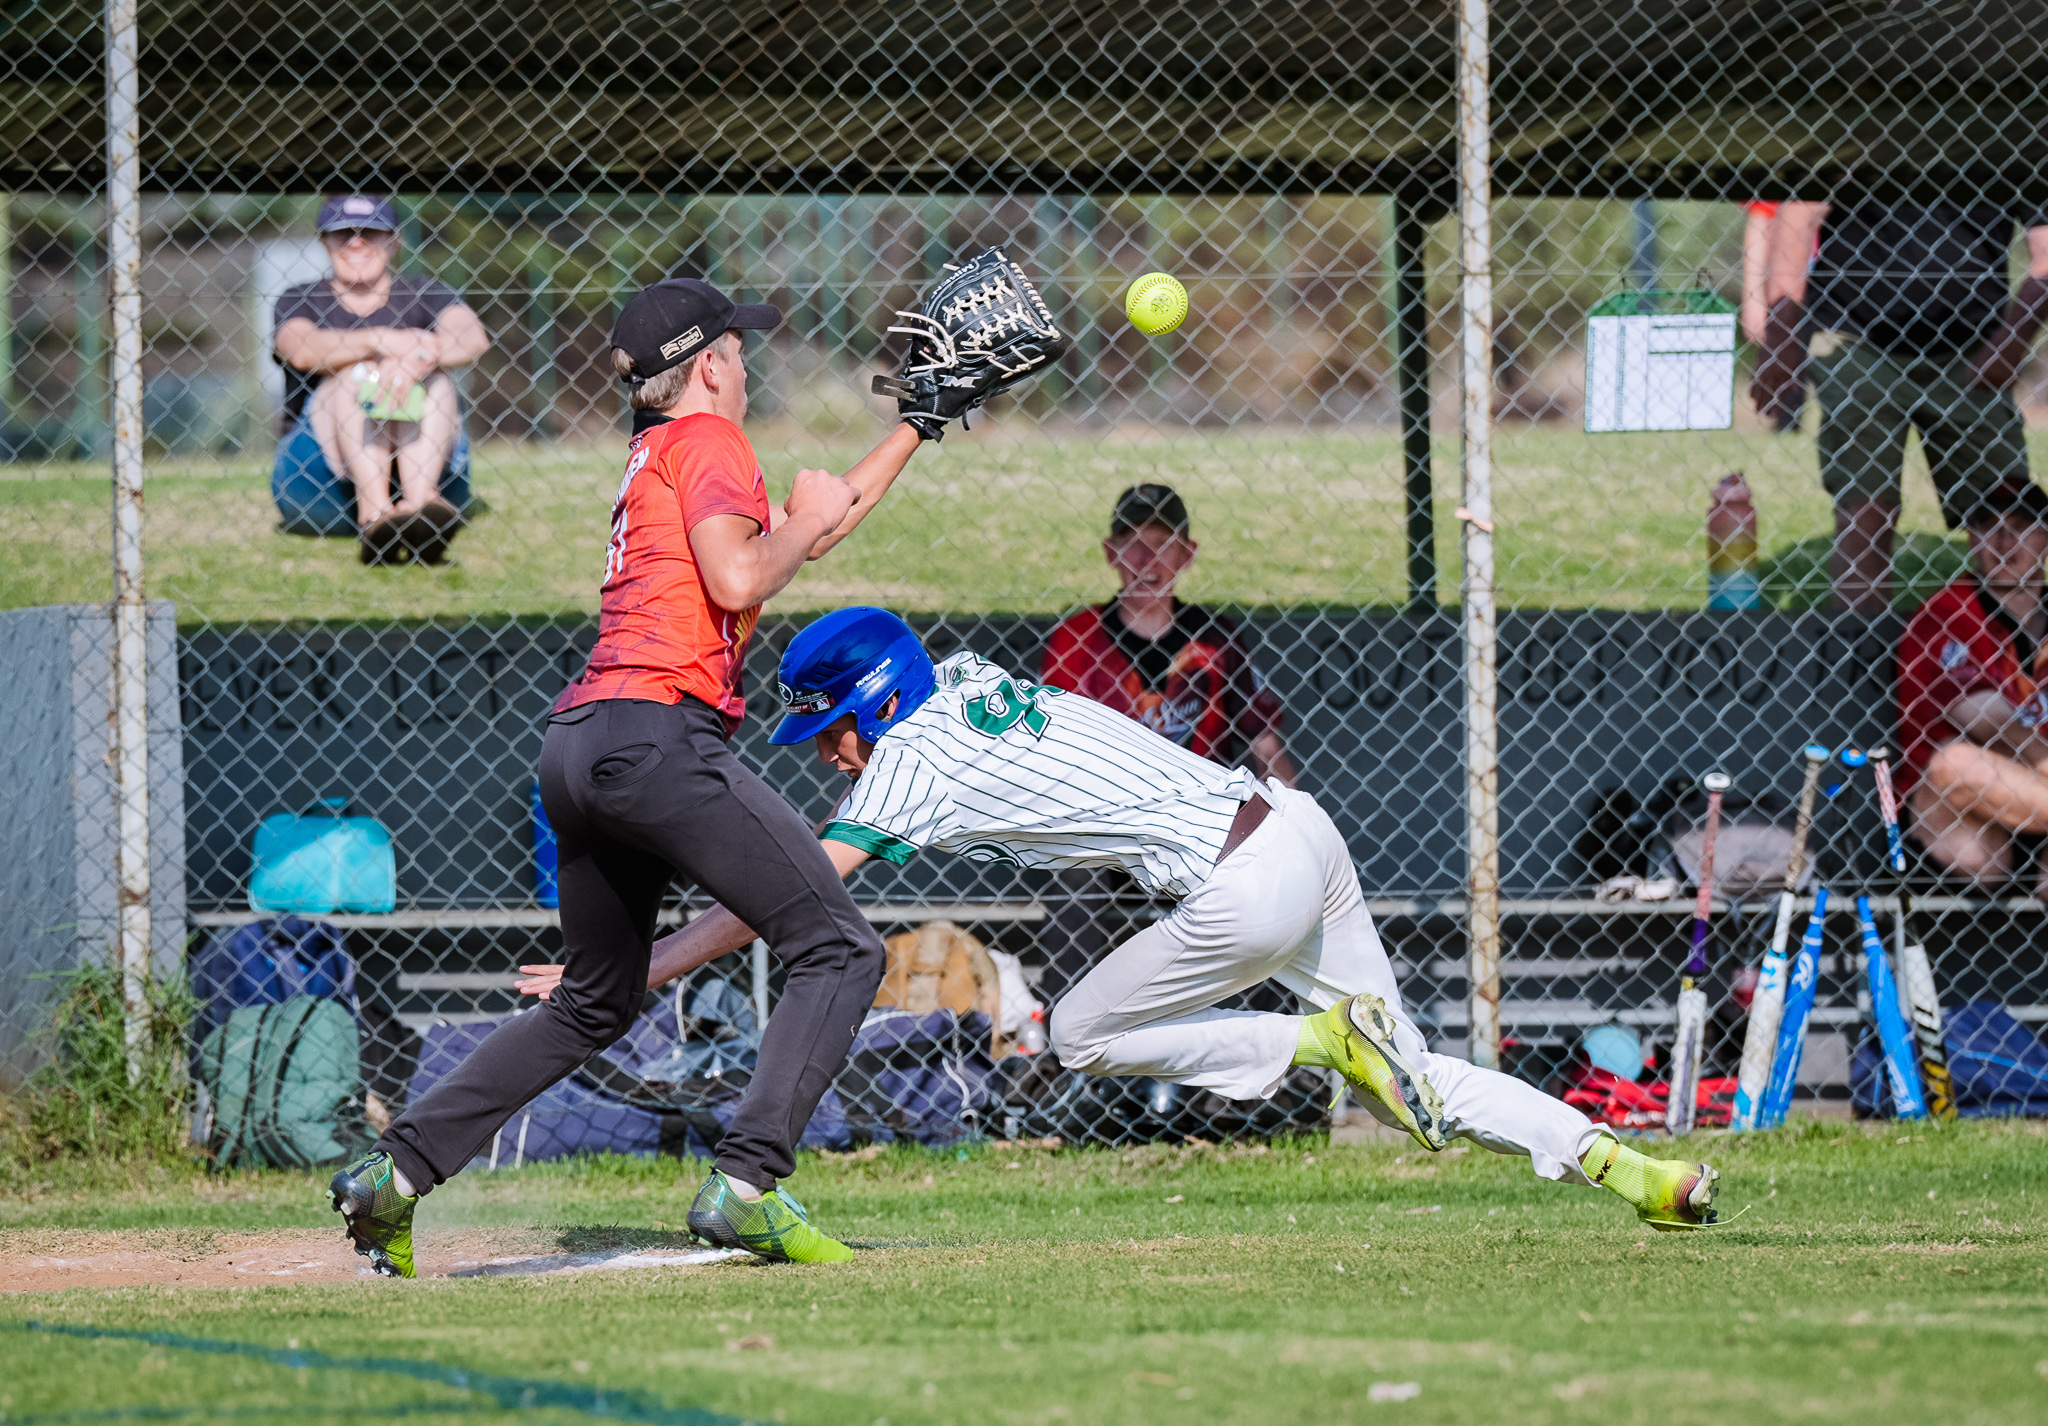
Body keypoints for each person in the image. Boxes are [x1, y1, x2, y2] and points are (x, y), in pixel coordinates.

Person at [520, 609, 1727, 1233]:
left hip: (1234, 883)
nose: (829, 754)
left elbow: (781, 900)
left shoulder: (907, 766)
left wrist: (633, 967)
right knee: (1413, 1083)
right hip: (1298, 830)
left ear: (878, 705)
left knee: (1082, 1031)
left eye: (832, 728)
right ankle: (1631, 1170)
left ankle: (1312, 1043)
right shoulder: (965, 673)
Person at [327, 277, 935, 1277]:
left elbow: (803, 533)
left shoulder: (660, 449)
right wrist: (801, 521)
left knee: (593, 1002)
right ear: (707, 366)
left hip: (582, 742)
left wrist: (913, 428)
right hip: (658, 738)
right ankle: (746, 1186)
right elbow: (745, 577)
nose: (746, 361)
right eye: (736, 347)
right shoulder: (709, 443)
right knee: (836, 947)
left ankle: (393, 1176)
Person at [1035, 483, 1298, 998]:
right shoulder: (1078, 637)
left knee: (1267, 878)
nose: (1146, 559)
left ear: (1186, 555)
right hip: (1105, 822)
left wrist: (1290, 815)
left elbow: (1263, 740)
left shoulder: (1216, 639)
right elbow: (1053, 745)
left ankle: (1263, 1027)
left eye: (1162, 543)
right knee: (1073, 881)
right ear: (1110, 554)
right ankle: (1066, 1038)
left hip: (1198, 819)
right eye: (1131, 543)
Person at [1749, 197, 2048, 613]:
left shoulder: (2006, 138)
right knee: (1866, 510)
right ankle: (1858, 655)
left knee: (2008, 514)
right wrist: (1781, 336)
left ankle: (2016, 659)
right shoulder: (1856, 133)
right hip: (1858, 340)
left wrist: (2009, 345)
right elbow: (1799, 212)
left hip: (1972, 349)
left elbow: (2046, 252)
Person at [271, 194, 491, 565]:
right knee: (352, 376)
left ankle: (421, 506)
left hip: (425, 461)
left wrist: (415, 361)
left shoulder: (425, 291)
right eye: (343, 233)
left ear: (393, 241)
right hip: (322, 483)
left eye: (369, 232)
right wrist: (380, 343)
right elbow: (301, 349)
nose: (356, 242)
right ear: (325, 241)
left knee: (434, 381)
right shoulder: (300, 298)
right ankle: (373, 514)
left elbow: (472, 337)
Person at [1896, 477, 2048, 892]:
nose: (2003, 541)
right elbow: (1987, 718)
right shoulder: (1946, 612)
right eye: (1987, 526)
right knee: (1957, 761)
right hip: (1968, 819)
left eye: (2021, 526)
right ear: (1971, 539)